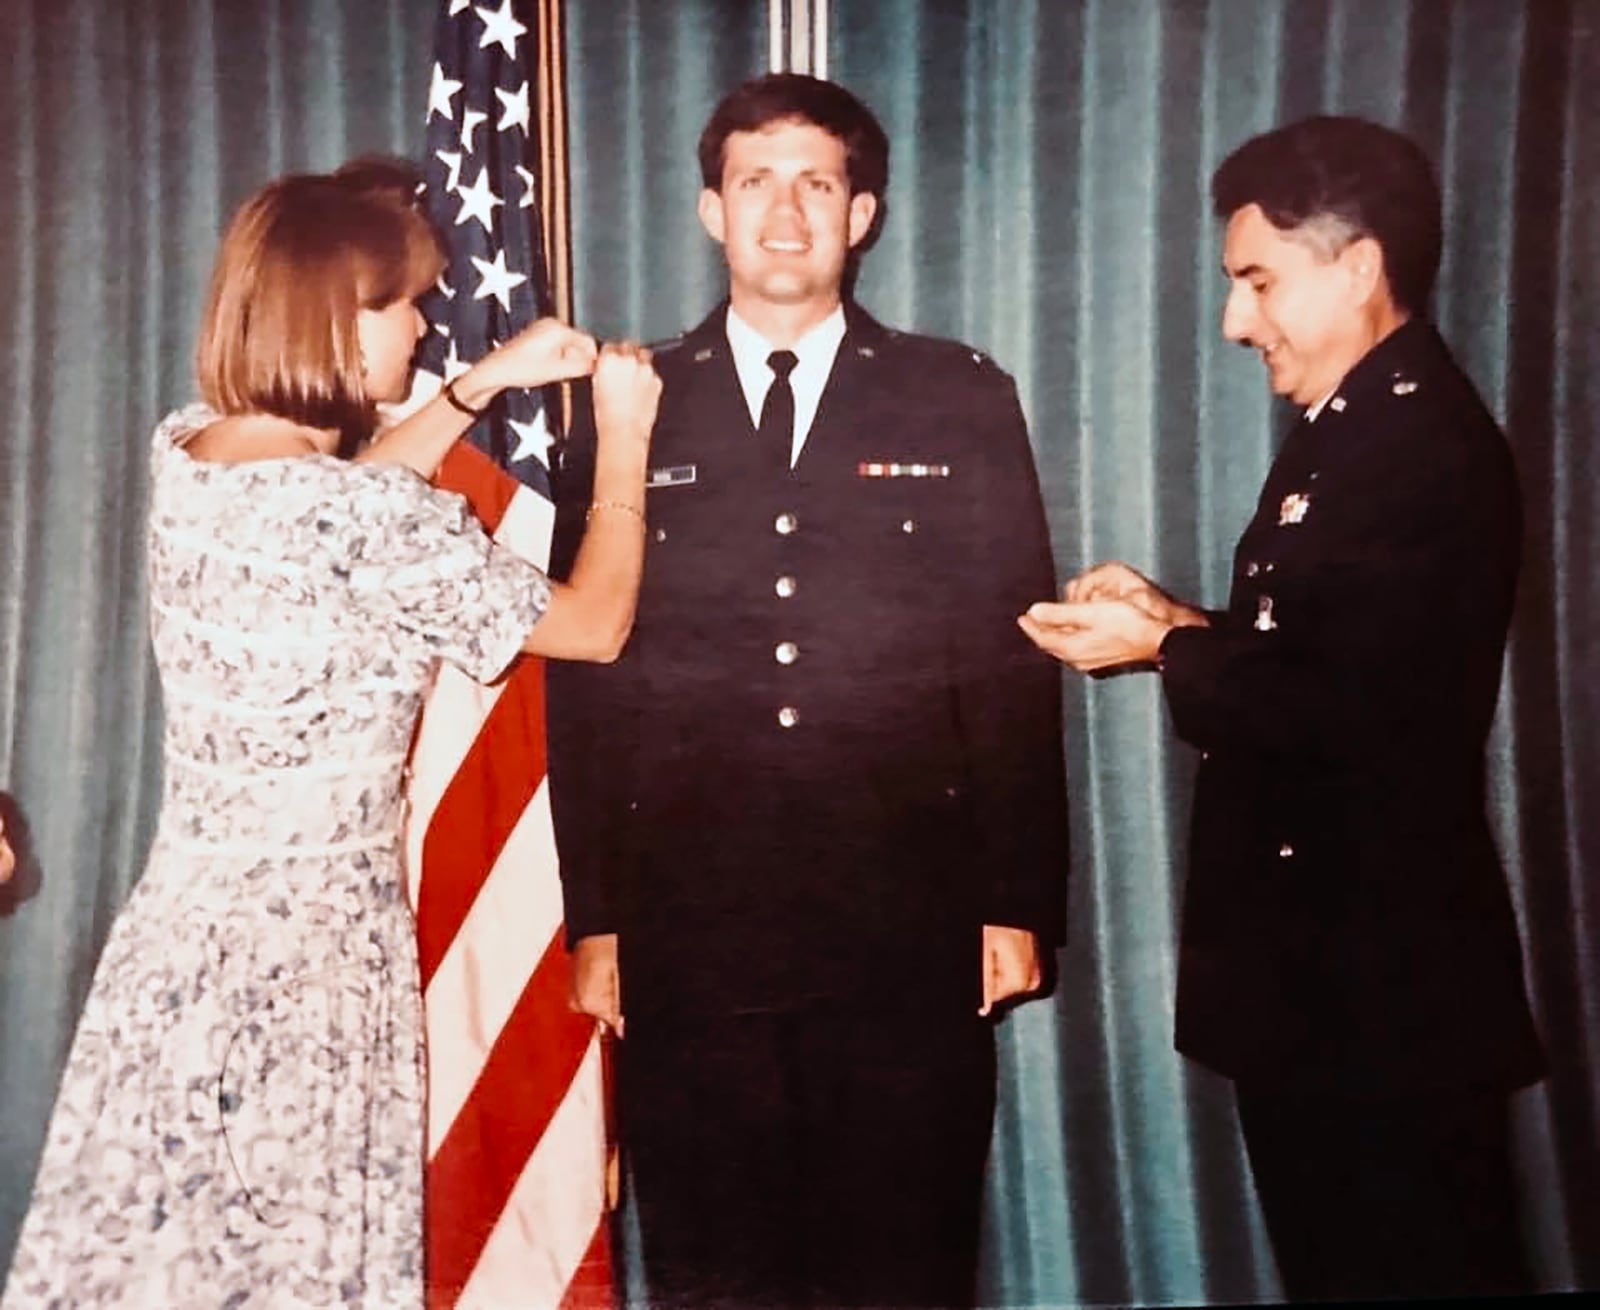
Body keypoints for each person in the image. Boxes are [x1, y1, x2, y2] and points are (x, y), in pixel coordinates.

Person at [1, 163, 660, 1308]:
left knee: (163, 1260)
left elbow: (340, 509)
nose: (425, 325)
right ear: (337, 322)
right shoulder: (362, 514)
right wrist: (624, 444)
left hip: (184, 945)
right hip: (311, 967)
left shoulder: (194, 453)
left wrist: (478, 387)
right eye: (405, 304)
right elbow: (595, 626)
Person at [545, 73, 1070, 1309]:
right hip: (692, 919)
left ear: (864, 210)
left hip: (905, 912)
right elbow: (588, 685)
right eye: (755, 181)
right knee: (714, 1262)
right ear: (709, 209)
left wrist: (1013, 895)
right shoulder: (626, 409)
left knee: (903, 1253)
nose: (786, 211)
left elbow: (1007, 664)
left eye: (817, 183)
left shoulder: (959, 394)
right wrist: (596, 914)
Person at [1020, 116, 1544, 1302]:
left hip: (1379, 998)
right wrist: (1176, 619)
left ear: (1357, 266)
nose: (1233, 321)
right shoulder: (1352, 430)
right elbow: (1319, 651)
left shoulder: (1420, 444)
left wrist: (1165, 647)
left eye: (1257, 281)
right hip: (1329, 987)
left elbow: (1359, 714)